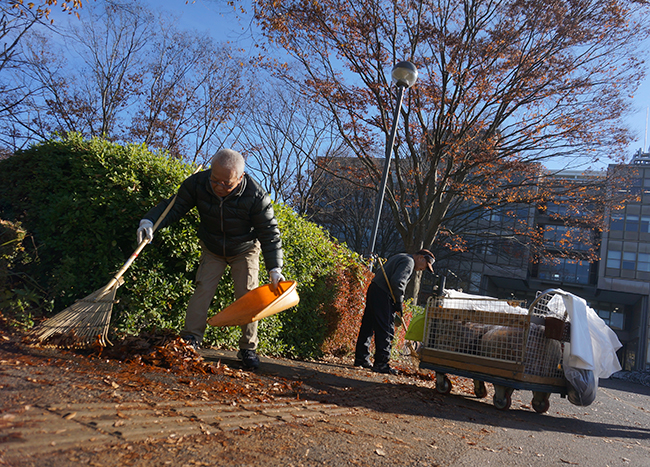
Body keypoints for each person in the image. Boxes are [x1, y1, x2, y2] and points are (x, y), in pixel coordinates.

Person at [136, 149, 284, 370]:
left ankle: (248, 348)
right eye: (215, 180)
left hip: (245, 249)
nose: (219, 187)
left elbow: (269, 232)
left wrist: (274, 268)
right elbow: (174, 206)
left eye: (227, 183)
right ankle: (191, 340)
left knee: (247, 295)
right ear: (210, 172)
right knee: (203, 288)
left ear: (240, 178)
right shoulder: (198, 183)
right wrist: (149, 221)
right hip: (212, 247)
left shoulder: (256, 195)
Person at [354, 249, 435, 374]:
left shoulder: (400, 256)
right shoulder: (409, 262)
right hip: (384, 293)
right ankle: (381, 364)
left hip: (375, 288)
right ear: (421, 258)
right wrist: (398, 301)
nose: (423, 269)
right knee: (386, 329)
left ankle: (361, 358)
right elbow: (398, 281)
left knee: (368, 326)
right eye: (425, 266)